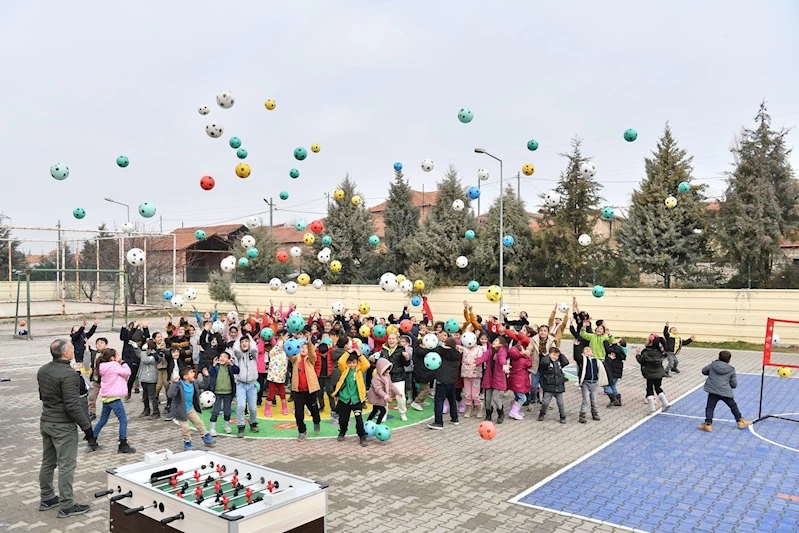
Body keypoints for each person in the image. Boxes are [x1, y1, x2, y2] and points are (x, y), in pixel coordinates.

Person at [37, 339, 95, 518]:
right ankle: (67, 505)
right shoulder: (68, 374)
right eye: (70, 348)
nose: (72, 350)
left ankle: (47, 498)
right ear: (65, 353)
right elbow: (72, 405)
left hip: (46, 421)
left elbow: (42, 396)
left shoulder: (43, 370)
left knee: (48, 462)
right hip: (63, 426)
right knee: (66, 466)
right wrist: (87, 428)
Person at [91, 348, 136, 454]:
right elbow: (127, 372)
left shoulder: (101, 366)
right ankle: (123, 443)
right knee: (123, 420)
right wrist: (122, 362)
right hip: (114, 397)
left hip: (106, 396)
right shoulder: (114, 365)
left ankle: (92, 439)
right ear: (112, 358)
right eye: (117, 355)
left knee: (103, 419)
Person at [698, 351, 752, 431]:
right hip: (725, 391)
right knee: (733, 405)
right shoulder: (731, 369)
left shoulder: (712, 365)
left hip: (713, 390)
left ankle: (708, 424)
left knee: (710, 407)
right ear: (729, 360)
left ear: (718, 357)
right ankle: (740, 421)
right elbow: (734, 384)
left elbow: (704, 371)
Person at [167, 366, 216, 450]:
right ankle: (187, 441)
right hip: (180, 411)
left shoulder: (194, 382)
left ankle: (205, 437)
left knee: (199, 422)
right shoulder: (179, 384)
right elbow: (170, 395)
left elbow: (203, 385)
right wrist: (174, 383)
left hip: (190, 409)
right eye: (191, 372)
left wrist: (206, 376)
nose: (194, 374)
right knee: (185, 428)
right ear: (185, 377)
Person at [332, 350, 370, 446]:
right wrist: (348, 352)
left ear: (357, 362)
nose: (352, 365)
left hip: (357, 399)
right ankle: (342, 431)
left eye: (354, 362)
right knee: (343, 419)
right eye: (350, 363)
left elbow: (367, 364)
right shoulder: (344, 369)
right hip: (345, 399)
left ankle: (362, 436)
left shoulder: (360, 369)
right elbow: (341, 362)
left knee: (359, 420)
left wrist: (360, 354)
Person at [288, 342, 321, 441]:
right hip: (298, 391)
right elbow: (290, 355)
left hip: (310, 390)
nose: (303, 349)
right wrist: (287, 345)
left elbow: (312, 355)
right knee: (298, 413)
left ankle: (316, 421)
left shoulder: (310, 359)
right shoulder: (296, 358)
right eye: (301, 347)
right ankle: (302, 431)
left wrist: (310, 345)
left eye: (305, 348)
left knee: (314, 409)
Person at [428, 338, 461, 430]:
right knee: (452, 399)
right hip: (452, 380)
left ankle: (438, 422)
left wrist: (441, 345)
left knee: (439, 401)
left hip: (442, 379)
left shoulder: (440, 351)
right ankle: (454, 418)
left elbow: (433, 349)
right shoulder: (456, 353)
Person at [205, 351, 240, 436]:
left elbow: (237, 370)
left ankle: (226, 426)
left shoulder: (230, 367)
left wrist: (231, 363)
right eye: (221, 356)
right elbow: (210, 373)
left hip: (228, 393)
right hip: (217, 393)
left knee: (227, 411)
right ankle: (212, 429)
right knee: (215, 411)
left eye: (225, 357)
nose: (222, 358)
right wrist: (213, 364)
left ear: (228, 359)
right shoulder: (216, 367)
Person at [636, 334, 671, 413]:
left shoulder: (646, 352)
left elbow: (641, 361)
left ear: (650, 342)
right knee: (658, 387)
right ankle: (665, 403)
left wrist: (637, 354)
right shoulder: (660, 351)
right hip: (659, 373)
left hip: (649, 373)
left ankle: (651, 407)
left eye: (648, 340)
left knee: (649, 388)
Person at [574, 345, 609, 423]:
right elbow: (576, 356)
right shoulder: (582, 360)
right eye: (586, 349)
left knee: (594, 399)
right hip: (585, 382)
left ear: (592, 353)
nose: (588, 350)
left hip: (594, 383)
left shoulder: (596, 361)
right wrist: (576, 347)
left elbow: (602, 370)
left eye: (589, 349)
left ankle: (595, 413)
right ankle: (582, 415)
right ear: (582, 353)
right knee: (586, 399)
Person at [233, 335, 260, 437]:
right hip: (241, 384)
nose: (244, 343)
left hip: (252, 384)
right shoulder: (238, 355)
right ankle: (241, 426)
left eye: (246, 342)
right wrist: (239, 337)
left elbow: (254, 348)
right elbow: (235, 349)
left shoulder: (253, 354)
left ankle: (253, 423)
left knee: (253, 407)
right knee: (241, 406)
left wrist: (250, 337)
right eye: (242, 342)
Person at [475, 336, 506, 423]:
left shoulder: (502, 351)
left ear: (501, 344)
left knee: (495, 397)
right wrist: (475, 363)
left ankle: (501, 413)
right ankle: (488, 414)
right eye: (494, 340)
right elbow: (483, 357)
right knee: (487, 399)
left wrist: (504, 364)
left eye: (496, 340)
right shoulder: (489, 350)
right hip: (489, 377)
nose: (494, 341)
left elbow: (502, 359)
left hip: (498, 378)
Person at [380, 332, 410, 422]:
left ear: (397, 340)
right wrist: (375, 359)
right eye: (389, 338)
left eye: (393, 339)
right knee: (384, 397)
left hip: (398, 377)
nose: (391, 340)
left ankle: (402, 413)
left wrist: (407, 357)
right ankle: (384, 413)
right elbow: (380, 362)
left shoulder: (401, 350)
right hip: (386, 377)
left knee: (401, 397)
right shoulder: (384, 350)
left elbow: (406, 364)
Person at [538, 346, 570, 423]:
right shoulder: (546, 363)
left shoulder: (559, 363)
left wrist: (561, 355)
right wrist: (547, 356)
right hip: (549, 388)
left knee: (561, 404)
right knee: (545, 402)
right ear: (549, 354)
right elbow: (544, 362)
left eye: (557, 356)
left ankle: (562, 416)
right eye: (553, 355)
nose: (555, 357)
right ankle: (542, 413)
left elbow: (566, 362)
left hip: (558, 387)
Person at [264, 335, 290, 417]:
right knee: (271, 394)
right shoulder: (273, 351)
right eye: (280, 339)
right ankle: (267, 409)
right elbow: (276, 348)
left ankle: (284, 407)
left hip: (281, 377)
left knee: (282, 394)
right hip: (273, 377)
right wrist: (281, 341)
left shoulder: (286, 352)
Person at [507, 343, 533, 420]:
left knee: (517, 397)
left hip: (515, 382)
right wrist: (529, 357)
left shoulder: (515, 359)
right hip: (519, 382)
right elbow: (529, 364)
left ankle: (514, 410)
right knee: (523, 398)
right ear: (519, 352)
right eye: (523, 349)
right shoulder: (522, 360)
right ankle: (513, 412)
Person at [137, 340, 162, 419]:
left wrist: (143, 350)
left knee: (152, 396)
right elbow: (139, 355)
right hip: (144, 378)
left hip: (151, 379)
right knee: (145, 396)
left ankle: (156, 412)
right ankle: (146, 410)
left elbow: (145, 359)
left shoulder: (154, 356)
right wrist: (136, 348)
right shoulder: (146, 354)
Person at [366, 358, 394, 424]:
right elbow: (378, 390)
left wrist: (398, 392)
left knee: (375, 410)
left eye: (388, 369)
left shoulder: (387, 376)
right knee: (383, 410)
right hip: (375, 397)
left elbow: (391, 385)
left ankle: (368, 422)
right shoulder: (376, 378)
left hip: (379, 397)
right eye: (386, 370)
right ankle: (378, 424)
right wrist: (386, 396)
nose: (387, 371)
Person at [86, 337, 107, 420]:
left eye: (101, 343)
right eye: (97, 343)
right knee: (91, 396)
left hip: (106, 380)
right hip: (96, 380)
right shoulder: (94, 354)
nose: (99, 344)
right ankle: (92, 412)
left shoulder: (108, 354)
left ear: (106, 345)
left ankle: (110, 411)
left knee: (108, 397)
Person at [603, 338, 627, 407]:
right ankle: (617, 399)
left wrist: (605, 341)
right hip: (616, 370)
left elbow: (608, 350)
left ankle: (613, 399)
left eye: (617, 339)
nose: (615, 339)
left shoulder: (616, 348)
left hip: (613, 370)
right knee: (613, 385)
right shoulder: (619, 349)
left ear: (619, 343)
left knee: (606, 385)